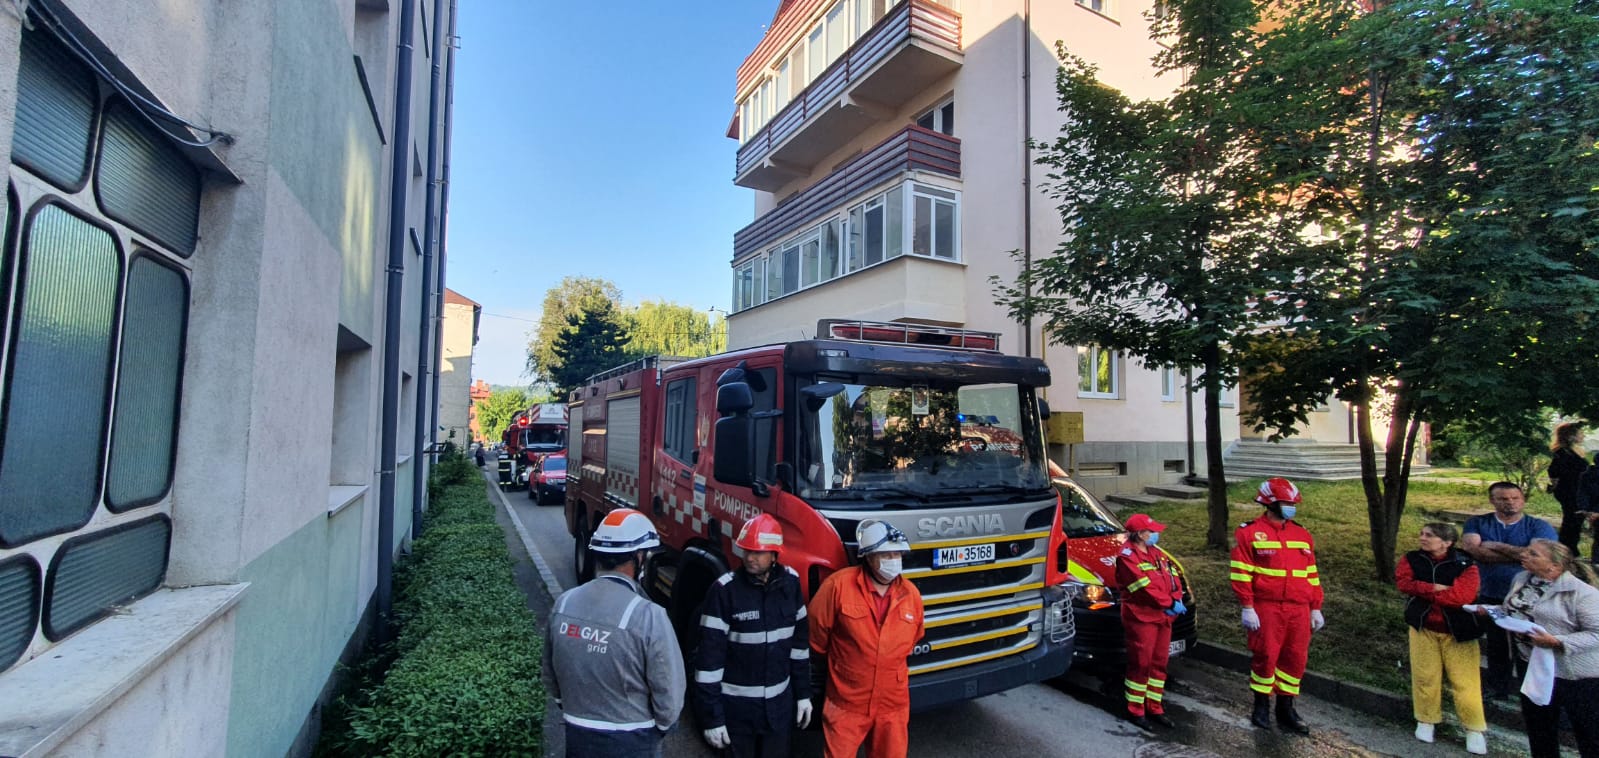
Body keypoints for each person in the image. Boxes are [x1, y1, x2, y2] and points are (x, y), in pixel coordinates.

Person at [545, 508, 684, 758]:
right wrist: (661, 727)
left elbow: (550, 675)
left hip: (577, 735)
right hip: (633, 740)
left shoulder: (564, 604)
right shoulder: (649, 615)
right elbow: (669, 693)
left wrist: (574, 710)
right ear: (639, 557)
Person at [694, 514, 813, 757]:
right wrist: (712, 718)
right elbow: (708, 662)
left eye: (758, 552)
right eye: (747, 551)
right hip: (737, 714)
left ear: (774, 555)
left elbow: (799, 649)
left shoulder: (790, 585)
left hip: (778, 713)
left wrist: (803, 695)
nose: (749, 558)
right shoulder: (724, 591)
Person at [808, 519, 925, 758]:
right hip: (847, 701)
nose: (893, 560)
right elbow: (816, 636)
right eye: (886, 554)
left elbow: (914, 638)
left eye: (897, 554)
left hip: (892, 704)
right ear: (869, 557)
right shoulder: (838, 586)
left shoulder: (911, 594)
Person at [1472, 539, 1599, 758]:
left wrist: (1558, 641)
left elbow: (1596, 633)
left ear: (1554, 566)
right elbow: (1518, 609)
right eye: (1527, 551)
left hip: (1575, 675)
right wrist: (1493, 611)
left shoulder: (1582, 593)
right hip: (1532, 665)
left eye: (1533, 554)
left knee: (1588, 734)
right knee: (1539, 728)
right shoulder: (1522, 578)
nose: (1524, 555)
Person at [1230, 477, 1322, 735]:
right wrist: (1247, 606)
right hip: (1267, 607)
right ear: (1270, 503)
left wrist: (1315, 606)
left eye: (1293, 504)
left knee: (1295, 657)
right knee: (1266, 656)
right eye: (1286, 503)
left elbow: (1312, 574)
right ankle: (1261, 705)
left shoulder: (1302, 534)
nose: (1291, 508)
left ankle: (1286, 707)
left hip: (1299, 608)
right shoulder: (1248, 533)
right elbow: (1240, 573)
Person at [1459, 482, 1558, 700]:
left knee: (1526, 645)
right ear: (1492, 500)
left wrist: (1495, 546)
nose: (1510, 503)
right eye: (1503, 499)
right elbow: (1474, 551)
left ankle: (1530, 692)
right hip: (1491, 592)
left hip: (1528, 598)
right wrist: (1519, 554)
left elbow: (1540, 557)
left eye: (1515, 498)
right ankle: (1498, 688)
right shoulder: (1477, 522)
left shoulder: (1538, 526)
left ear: (1523, 499)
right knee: (1497, 645)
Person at [1395, 522, 1487, 755]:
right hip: (1423, 625)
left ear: (1447, 542)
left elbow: (1461, 596)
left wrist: (1423, 591)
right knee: (1425, 675)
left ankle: (1474, 728)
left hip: (1459, 630)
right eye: (1422, 534)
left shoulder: (1466, 564)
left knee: (1465, 681)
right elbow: (1403, 583)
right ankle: (1426, 719)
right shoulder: (1412, 558)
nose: (1422, 538)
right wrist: (1434, 588)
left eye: (1429, 535)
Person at [1116, 513, 1186, 731]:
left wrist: (1176, 598)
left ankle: (1155, 706)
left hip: (1162, 616)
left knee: (1159, 662)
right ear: (1140, 534)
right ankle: (1135, 709)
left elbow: (1173, 578)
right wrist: (1169, 602)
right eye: (1152, 531)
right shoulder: (1127, 557)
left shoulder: (1157, 553)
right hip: (1141, 617)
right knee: (1141, 663)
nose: (1156, 534)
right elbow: (1143, 587)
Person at [1550, 422, 1590, 555]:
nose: (1583, 435)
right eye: (1580, 433)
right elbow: (1554, 472)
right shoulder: (1562, 452)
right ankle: (1567, 549)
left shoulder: (1574, 452)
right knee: (1572, 521)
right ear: (1571, 435)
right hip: (1570, 492)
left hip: (1577, 491)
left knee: (1575, 521)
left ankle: (1569, 549)